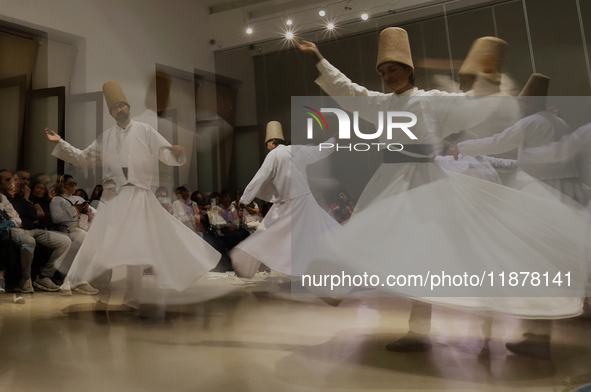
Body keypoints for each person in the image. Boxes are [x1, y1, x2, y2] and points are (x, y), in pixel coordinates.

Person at [45, 80, 220, 310]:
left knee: (135, 250)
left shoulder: (145, 130)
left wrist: (175, 154)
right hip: (112, 196)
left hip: (138, 195)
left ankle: (132, 299)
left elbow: (164, 152)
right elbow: (82, 157)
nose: (119, 110)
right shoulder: (105, 137)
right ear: (111, 112)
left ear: (128, 107)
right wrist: (62, 144)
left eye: (122, 105)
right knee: (103, 246)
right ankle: (102, 297)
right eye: (115, 107)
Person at [450, 73, 589, 206]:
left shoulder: (531, 121)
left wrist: (461, 147)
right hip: (572, 188)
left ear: (528, 103)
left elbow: (498, 142)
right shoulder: (559, 121)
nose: (519, 109)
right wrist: (488, 160)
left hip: (546, 188)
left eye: (520, 104)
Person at [230, 121, 342, 278]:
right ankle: (330, 262)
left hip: (289, 204)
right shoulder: (297, 150)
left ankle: (244, 267)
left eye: (267, 144)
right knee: (316, 232)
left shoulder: (274, 154)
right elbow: (319, 151)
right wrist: (333, 140)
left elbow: (260, 177)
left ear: (272, 141)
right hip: (304, 201)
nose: (267, 148)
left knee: (267, 234)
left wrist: (244, 199)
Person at [0, 170, 71, 292]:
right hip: (13, 230)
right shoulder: (6, 198)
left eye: (13, 179)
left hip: (29, 229)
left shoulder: (17, 198)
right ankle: (25, 279)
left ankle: (44, 276)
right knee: (29, 241)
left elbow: (32, 214)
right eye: (8, 180)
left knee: (65, 241)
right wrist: (18, 220)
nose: (13, 182)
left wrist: (20, 217)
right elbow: (18, 218)